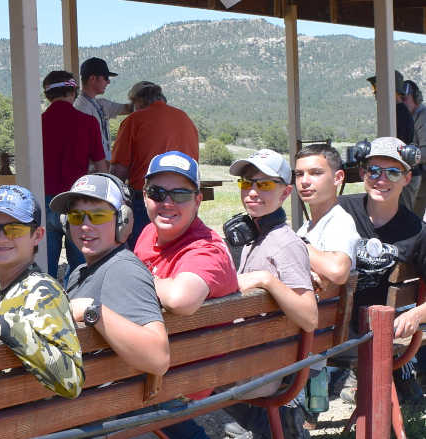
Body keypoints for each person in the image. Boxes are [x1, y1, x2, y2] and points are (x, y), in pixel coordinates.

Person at [50, 174, 189, 437]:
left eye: (99, 216)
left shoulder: (123, 270)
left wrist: (93, 311)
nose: (85, 226)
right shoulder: (83, 269)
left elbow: (158, 359)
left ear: (122, 221)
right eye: (77, 217)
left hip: (87, 417)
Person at [135, 151, 238, 438]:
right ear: (144, 196)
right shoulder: (148, 233)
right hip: (160, 369)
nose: (167, 203)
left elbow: (181, 298)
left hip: (175, 382)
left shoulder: (206, 249)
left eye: (180, 194)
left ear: (197, 200)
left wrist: (133, 278)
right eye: (157, 193)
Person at [224, 149, 318, 439]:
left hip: (262, 369)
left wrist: (267, 280)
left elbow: (310, 315)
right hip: (261, 358)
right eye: (246, 183)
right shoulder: (257, 237)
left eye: (264, 184)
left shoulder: (284, 243)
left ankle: (258, 423)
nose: (252, 191)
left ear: (285, 192)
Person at [0, 185, 84, 399]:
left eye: (14, 229)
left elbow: (72, 380)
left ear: (38, 235)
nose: (1, 237)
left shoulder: (43, 292)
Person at [337, 136, 426, 403]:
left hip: (374, 332)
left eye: (393, 172)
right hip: (329, 326)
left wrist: (417, 313)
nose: (382, 179)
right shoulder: (341, 211)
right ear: (363, 173)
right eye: (374, 170)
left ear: (406, 179)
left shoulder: (416, 231)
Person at [293, 144, 360, 429]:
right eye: (299, 174)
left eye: (316, 173)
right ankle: (309, 410)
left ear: (338, 178)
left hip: (312, 335)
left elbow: (337, 269)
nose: (305, 181)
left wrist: (296, 248)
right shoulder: (309, 227)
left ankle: (303, 412)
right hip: (312, 333)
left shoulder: (340, 222)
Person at [111, 82, 199, 248]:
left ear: (138, 102)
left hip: (149, 199)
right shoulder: (185, 119)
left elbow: (118, 169)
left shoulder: (134, 120)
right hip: (186, 198)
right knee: (182, 249)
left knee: (143, 254)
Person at [41, 70, 107, 283]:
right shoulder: (87, 122)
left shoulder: (36, 124)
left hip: (43, 201)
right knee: (81, 267)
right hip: (76, 201)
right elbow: (101, 166)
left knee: (43, 269)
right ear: (73, 91)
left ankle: (44, 309)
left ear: (48, 95)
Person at [367, 71, 418, 209]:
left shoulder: (399, 114)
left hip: (401, 173)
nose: (375, 94)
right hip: (397, 173)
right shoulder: (397, 112)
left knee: (401, 213)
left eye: (377, 90)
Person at [74, 57, 132, 163]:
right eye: (105, 77)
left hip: (101, 167)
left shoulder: (101, 104)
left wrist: (145, 98)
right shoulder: (80, 108)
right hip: (92, 170)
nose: (108, 82)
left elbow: (128, 108)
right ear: (92, 79)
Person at [402, 80, 426, 217]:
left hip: (421, 175)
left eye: (405, 99)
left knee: (414, 217)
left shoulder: (423, 116)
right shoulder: (411, 116)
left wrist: (405, 156)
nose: (403, 103)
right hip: (418, 173)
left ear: (416, 98)